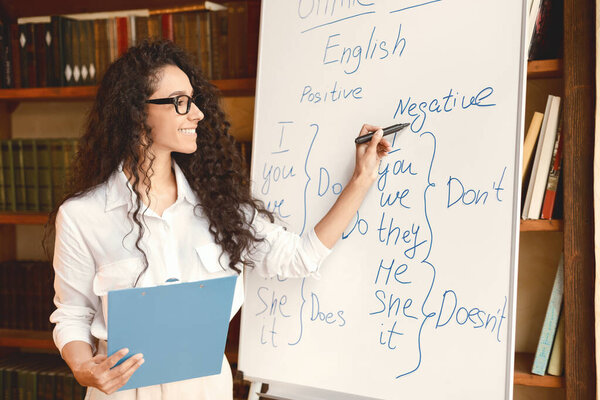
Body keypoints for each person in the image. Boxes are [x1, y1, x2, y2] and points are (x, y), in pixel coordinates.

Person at [46, 39, 390, 399]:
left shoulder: (220, 205)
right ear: (137, 112)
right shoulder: (81, 216)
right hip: (122, 393)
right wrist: (84, 368)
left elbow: (299, 257)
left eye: (193, 101)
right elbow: (71, 313)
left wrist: (362, 178)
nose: (197, 113)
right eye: (181, 102)